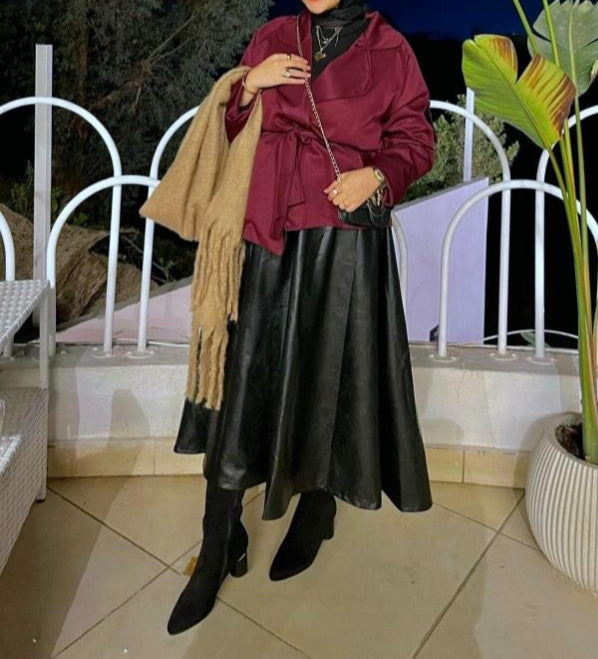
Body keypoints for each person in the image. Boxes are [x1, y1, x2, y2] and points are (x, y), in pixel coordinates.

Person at [167, 0, 436, 635]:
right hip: (262, 235)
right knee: (240, 385)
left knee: (326, 374)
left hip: (341, 245)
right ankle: (217, 541)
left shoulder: (390, 50)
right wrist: (246, 87)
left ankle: (317, 509)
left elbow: (416, 141)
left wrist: (377, 174)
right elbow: (228, 134)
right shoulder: (272, 36)